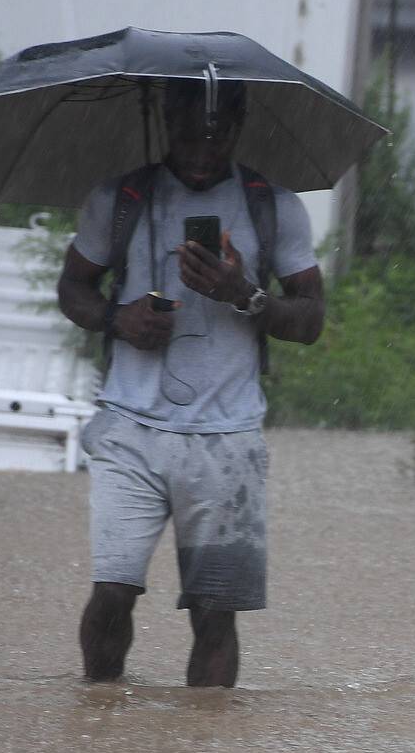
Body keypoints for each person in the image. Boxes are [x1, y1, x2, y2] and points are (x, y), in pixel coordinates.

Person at [57, 77, 324, 687]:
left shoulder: (273, 205)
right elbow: (72, 288)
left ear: (239, 125)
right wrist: (117, 319)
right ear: (162, 121)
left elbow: (310, 319)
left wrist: (243, 293)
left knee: (213, 614)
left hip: (227, 438)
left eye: (217, 134)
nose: (202, 150)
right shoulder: (119, 199)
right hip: (129, 427)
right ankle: (97, 718)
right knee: (112, 589)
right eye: (187, 134)